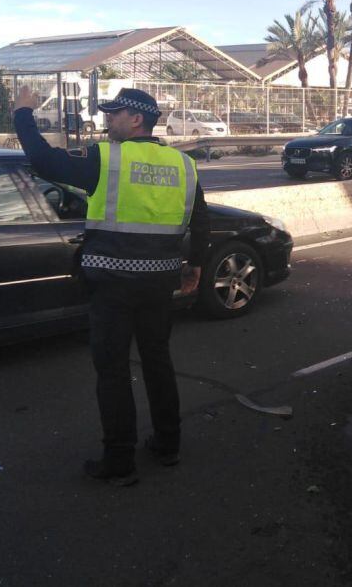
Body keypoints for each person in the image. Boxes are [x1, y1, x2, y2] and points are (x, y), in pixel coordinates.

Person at [12, 85, 209, 486]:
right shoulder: (183, 165)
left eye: (115, 113)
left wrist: (23, 114)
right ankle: (168, 445)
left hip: (112, 281)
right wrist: (196, 266)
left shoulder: (106, 158)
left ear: (136, 119)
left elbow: (43, 160)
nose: (108, 119)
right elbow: (201, 220)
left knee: (113, 371)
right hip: (160, 281)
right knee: (158, 362)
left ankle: (119, 460)